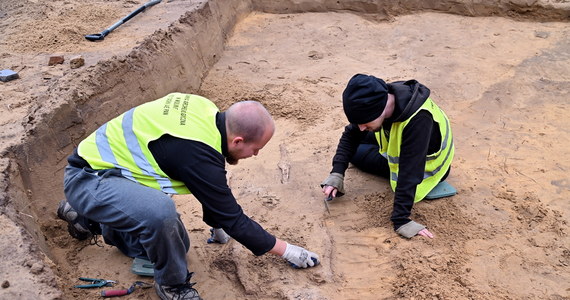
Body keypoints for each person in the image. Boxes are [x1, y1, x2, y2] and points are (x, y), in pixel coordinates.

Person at [57, 93, 320, 300]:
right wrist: (289, 251)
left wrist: (215, 225)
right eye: (256, 149)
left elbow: (209, 189)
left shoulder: (204, 110)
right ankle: (172, 286)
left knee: (172, 237)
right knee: (161, 217)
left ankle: (84, 218)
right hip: (88, 179)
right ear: (238, 141)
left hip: (112, 170)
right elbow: (234, 218)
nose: (256, 155)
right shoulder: (197, 155)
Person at [321, 74, 454, 239]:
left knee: (357, 154)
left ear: (379, 109)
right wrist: (337, 173)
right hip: (401, 143)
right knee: (356, 145)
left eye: (364, 122)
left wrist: (401, 220)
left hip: (427, 168)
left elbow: (409, 172)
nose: (361, 128)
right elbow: (351, 134)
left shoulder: (419, 121)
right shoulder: (383, 96)